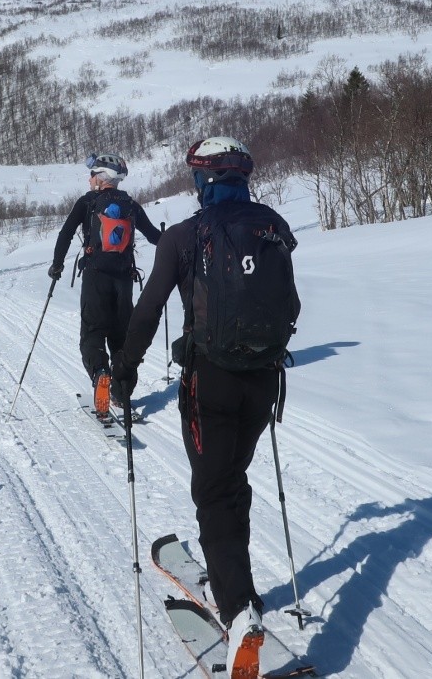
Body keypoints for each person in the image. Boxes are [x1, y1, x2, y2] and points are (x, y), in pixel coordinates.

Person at [110, 136, 299, 679]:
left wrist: (124, 371)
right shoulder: (273, 228)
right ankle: (234, 579)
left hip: (208, 383)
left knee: (212, 489)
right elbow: (292, 304)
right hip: (263, 383)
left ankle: (239, 610)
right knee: (231, 476)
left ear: (201, 181)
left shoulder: (183, 236)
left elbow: (147, 312)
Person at [48, 152, 162, 415]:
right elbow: (155, 236)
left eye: (91, 175)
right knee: (122, 337)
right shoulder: (131, 205)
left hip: (95, 277)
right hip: (124, 280)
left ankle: (101, 373)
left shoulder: (87, 202)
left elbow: (65, 233)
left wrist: (57, 266)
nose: (89, 180)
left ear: (101, 178)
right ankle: (121, 392)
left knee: (93, 331)